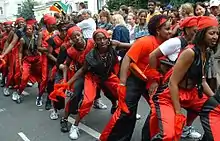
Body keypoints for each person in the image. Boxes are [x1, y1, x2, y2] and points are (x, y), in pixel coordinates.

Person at [100, 15, 171, 141]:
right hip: (136, 79)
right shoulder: (146, 41)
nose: (170, 31)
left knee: (157, 110)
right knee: (126, 111)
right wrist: (122, 84)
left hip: (153, 82)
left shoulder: (170, 44)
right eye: (167, 28)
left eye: (171, 28)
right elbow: (127, 59)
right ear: (157, 30)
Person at [149, 16, 218, 141]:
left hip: (191, 94)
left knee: (216, 110)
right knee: (169, 135)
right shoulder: (190, 52)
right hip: (169, 96)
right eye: (212, 33)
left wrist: (215, 100)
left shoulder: (206, 52)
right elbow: (173, 83)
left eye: (217, 33)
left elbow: (202, 81)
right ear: (202, 33)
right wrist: (178, 113)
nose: (215, 37)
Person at [59, 29, 131, 140]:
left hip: (106, 74)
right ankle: (72, 124)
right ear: (95, 42)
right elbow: (81, 70)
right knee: (83, 99)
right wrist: (67, 83)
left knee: (120, 91)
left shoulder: (111, 44)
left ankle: (125, 109)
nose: (102, 41)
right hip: (90, 75)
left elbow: (132, 46)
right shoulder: (85, 53)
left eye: (104, 38)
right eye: (99, 39)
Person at [12, 24, 42, 103]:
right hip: (27, 60)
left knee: (40, 77)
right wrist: (20, 62)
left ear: (33, 29)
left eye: (30, 29)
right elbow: (20, 52)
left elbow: (39, 48)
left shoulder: (37, 37)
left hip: (36, 59)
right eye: (27, 29)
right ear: (25, 31)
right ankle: (19, 92)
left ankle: (40, 95)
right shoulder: (22, 39)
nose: (29, 30)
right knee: (24, 77)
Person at [37, 15, 57, 107]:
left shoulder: (56, 33)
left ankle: (52, 98)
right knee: (46, 79)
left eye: (55, 24)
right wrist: (48, 49)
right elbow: (38, 47)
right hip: (45, 59)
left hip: (55, 57)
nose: (54, 26)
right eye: (52, 24)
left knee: (53, 79)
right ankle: (42, 97)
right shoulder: (42, 33)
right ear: (48, 24)